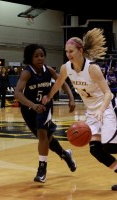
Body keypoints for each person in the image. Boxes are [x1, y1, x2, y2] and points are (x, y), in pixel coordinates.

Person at [42, 28, 117, 191]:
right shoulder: (66, 68)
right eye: (66, 52)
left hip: (107, 108)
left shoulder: (92, 68)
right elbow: (58, 84)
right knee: (95, 150)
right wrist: (48, 97)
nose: (68, 54)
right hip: (92, 112)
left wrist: (101, 110)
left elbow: (108, 93)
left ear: (80, 50)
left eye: (71, 51)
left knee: (109, 146)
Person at [14, 44, 77, 183]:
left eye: (42, 55)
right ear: (30, 58)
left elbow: (62, 82)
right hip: (29, 108)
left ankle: (42, 169)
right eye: (36, 56)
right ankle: (65, 155)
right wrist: (32, 105)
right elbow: (17, 93)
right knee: (46, 139)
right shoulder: (27, 72)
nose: (40, 58)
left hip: (45, 107)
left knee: (42, 134)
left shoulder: (48, 70)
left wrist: (71, 98)